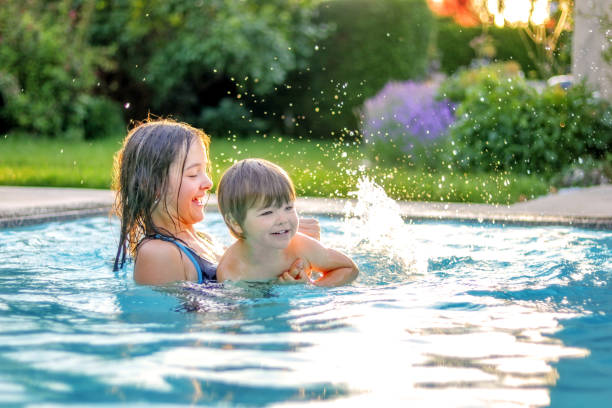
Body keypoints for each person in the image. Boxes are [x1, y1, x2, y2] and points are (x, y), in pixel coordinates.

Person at [112, 118, 320, 285]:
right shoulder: (157, 254)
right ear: (152, 185)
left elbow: (239, 282)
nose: (208, 182)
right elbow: (182, 326)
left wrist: (286, 251)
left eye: (205, 170)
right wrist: (272, 289)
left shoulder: (204, 239)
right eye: (193, 174)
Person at [216, 158, 359, 287]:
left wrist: (312, 287)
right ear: (235, 223)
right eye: (267, 212)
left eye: (288, 208)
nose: (283, 219)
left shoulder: (300, 248)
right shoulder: (232, 272)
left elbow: (349, 269)